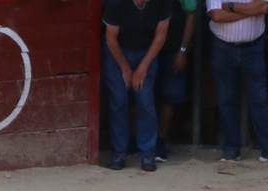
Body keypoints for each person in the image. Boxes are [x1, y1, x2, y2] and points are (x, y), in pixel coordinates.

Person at [103, 0, 169, 171]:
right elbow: (110, 38)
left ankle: (147, 153)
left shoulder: (161, 3)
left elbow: (161, 36)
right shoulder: (116, 3)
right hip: (117, 53)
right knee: (119, 101)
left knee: (145, 100)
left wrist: (143, 67)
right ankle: (119, 153)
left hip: (146, 52)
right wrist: (125, 68)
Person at [205, 0, 268, 162]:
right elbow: (216, 15)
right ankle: (232, 149)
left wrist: (232, 7)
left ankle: (267, 147)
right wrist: (251, 10)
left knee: (260, 99)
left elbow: (265, 7)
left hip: (253, 48)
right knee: (226, 99)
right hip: (223, 48)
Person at [154, 0, 196, 161]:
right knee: (141, 93)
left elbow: (192, 15)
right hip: (144, 45)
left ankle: (160, 142)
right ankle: (138, 141)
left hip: (172, 47)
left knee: (169, 95)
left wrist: (183, 50)